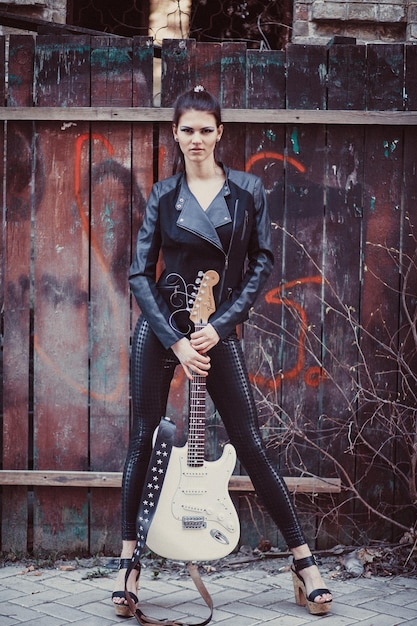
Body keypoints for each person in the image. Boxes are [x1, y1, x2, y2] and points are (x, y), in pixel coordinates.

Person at [112, 86, 332, 618]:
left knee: (250, 443)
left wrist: (224, 324)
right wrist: (177, 340)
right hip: (164, 330)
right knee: (143, 437)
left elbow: (261, 262)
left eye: (205, 129)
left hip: (218, 330)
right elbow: (140, 273)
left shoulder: (247, 191)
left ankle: (305, 564)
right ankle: (128, 566)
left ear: (220, 133)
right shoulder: (164, 195)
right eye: (186, 129)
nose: (195, 139)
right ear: (175, 133)